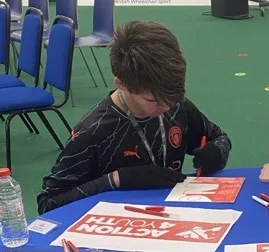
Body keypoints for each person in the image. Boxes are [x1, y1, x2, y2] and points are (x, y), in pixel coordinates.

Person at [37, 20, 231, 214]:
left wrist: (216, 152)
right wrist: (117, 179)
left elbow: (220, 138)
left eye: (172, 99)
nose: (166, 107)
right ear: (121, 84)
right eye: (153, 100)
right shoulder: (93, 131)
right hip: (115, 229)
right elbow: (49, 203)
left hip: (172, 219)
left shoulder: (177, 106)